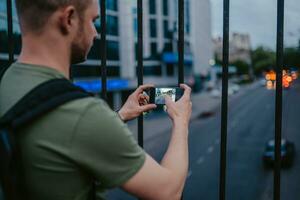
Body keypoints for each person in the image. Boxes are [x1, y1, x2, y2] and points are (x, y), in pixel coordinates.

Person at [0, 0, 192, 199]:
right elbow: (169, 192)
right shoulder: (82, 113)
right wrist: (181, 121)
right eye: (93, 21)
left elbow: (63, 137)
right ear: (69, 19)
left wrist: (122, 114)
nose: (96, 32)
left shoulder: (9, 80)